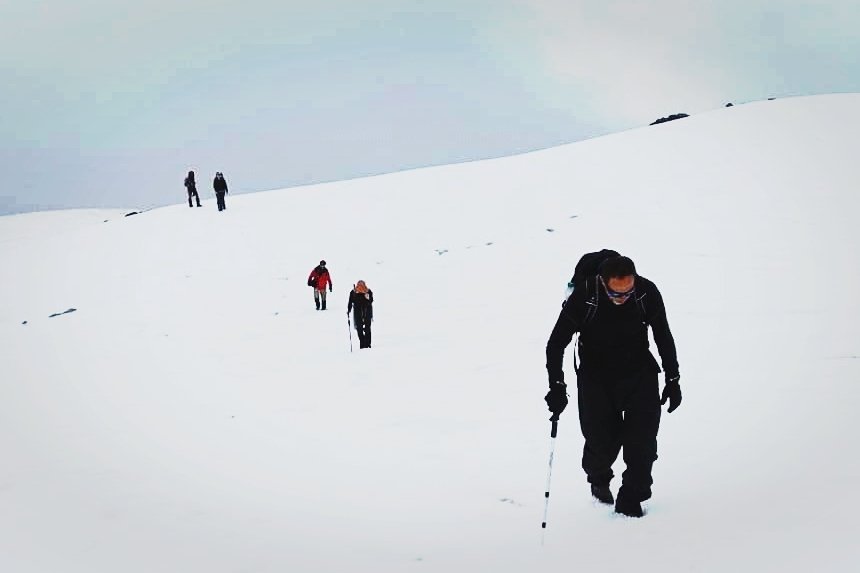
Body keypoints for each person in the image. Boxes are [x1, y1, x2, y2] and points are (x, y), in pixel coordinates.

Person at [544, 255, 681, 518]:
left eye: (627, 291)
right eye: (615, 293)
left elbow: (663, 334)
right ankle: (599, 477)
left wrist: (673, 378)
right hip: (596, 378)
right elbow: (555, 343)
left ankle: (632, 498)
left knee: (642, 444)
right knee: (601, 443)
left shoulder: (645, 293)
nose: (623, 298)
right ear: (602, 283)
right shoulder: (585, 296)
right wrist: (557, 386)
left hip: (639, 373)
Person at [348, 280, 374, 349]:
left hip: (362, 311)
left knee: (361, 328)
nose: (360, 288)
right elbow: (371, 301)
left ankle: (364, 343)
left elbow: (350, 302)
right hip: (365, 311)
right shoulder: (355, 292)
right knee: (366, 328)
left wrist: (349, 310)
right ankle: (366, 344)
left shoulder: (366, 291)